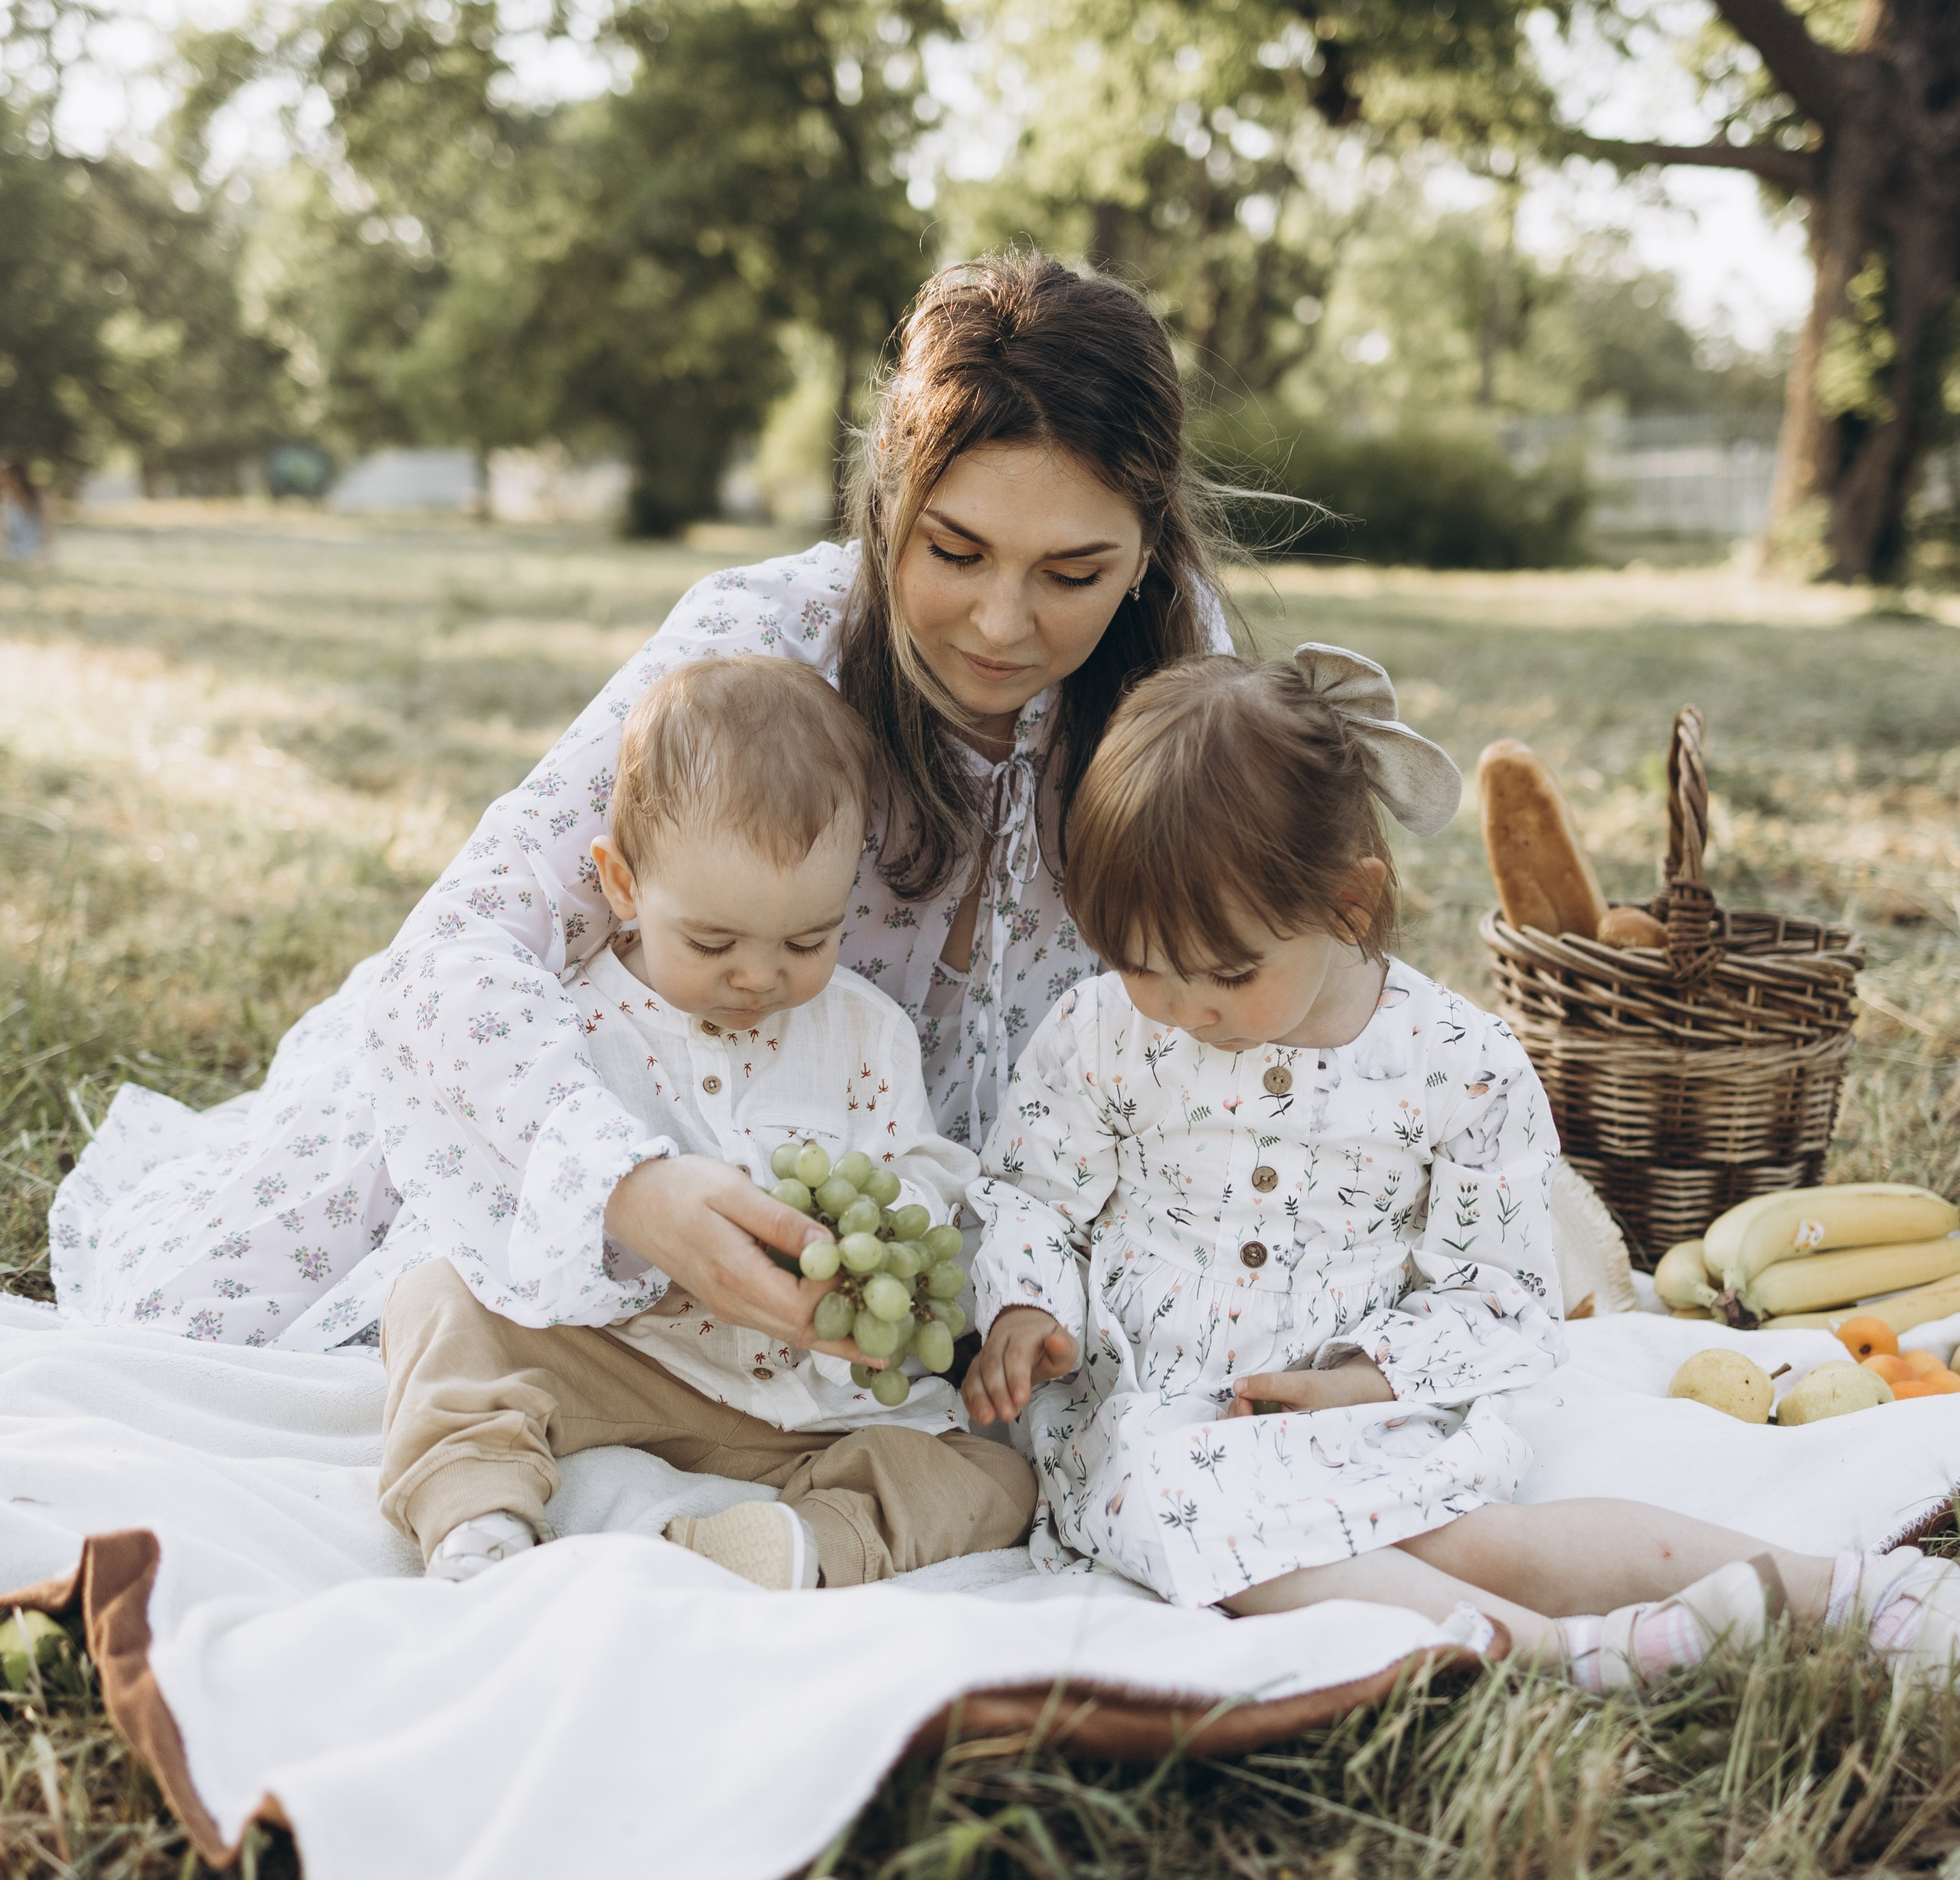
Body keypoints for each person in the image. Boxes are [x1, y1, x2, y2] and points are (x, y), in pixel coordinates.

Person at [51, 253, 1230, 1353]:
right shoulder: (766, 640)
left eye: (1072, 574)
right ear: (887, 502)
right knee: (273, 1351)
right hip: (623, 1115)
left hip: (917, 1246)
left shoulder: (1179, 703)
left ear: (1145, 553)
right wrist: (624, 1180)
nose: (1001, 624)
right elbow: (458, 948)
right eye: (955, 553)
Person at [960, 647, 1960, 1685]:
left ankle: (1839, 1592)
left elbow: (1494, 1290)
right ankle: (1564, 1659)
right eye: (1136, 966)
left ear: (1349, 903)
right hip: (1155, 1412)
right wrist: (1029, 1308)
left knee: (1482, 1540)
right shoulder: (1100, 1035)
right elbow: (1034, 1192)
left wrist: (1367, 1377)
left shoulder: (1457, 1065)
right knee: (1200, 1520)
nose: (1177, 1010)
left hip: (1354, 1408)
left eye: (1224, 975)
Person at [380, 654, 1034, 1589]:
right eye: (712, 942)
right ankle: (476, 1508)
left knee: (994, 1477)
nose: (759, 977)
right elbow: (526, 1200)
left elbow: (919, 1168)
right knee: (437, 1297)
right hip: (633, 1363)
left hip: (818, 1406)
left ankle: (791, 1547)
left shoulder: (864, 1031)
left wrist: (888, 1237)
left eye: (808, 941)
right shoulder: (582, 1025)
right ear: (622, 886)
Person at [1, 459, 51, 563]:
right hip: (15, 549)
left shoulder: (38, 497)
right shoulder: (7, 500)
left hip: (37, 549)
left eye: (11, 477)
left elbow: (49, 526)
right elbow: (4, 531)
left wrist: (44, 550)